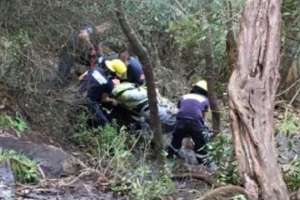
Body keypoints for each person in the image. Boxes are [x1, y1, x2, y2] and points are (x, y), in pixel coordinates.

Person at [167, 80, 212, 164]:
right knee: (200, 146)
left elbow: (180, 110)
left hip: (181, 122)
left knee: (175, 141)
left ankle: (169, 159)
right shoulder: (205, 100)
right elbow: (202, 117)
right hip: (195, 124)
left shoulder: (184, 97)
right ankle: (204, 163)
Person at [111, 81, 176, 133]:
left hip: (165, 121)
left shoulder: (129, 97)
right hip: (169, 116)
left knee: (145, 124)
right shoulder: (143, 92)